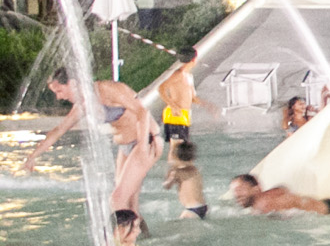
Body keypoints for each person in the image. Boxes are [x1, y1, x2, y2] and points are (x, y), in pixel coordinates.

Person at [23, 68, 161, 214]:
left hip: (146, 141)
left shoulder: (106, 89)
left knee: (117, 199)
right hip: (126, 147)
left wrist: (142, 146)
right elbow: (59, 130)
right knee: (129, 203)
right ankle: (140, 235)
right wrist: (33, 156)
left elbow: (142, 112)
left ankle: (119, 236)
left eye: (59, 91)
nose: (59, 97)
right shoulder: (82, 105)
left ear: (73, 83)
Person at [153, 60, 206, 149]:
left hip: (184, 115)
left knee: (182, 148)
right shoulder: (178, 74)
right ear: (193, 60)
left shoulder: (189, 76)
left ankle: (179, 162)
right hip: (175, 114)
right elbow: (161, 88)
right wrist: (173, 106)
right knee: (176, 148)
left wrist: (208, 105)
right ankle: (175, 162)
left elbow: (192, 98)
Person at [229, 174, 330, 215]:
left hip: (329, 212)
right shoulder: (269, 196)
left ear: (256, 189)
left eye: (240, 190)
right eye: (234, 191)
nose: (236, 195)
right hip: (328, 203)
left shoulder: (266, 205)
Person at [165, 137, 208, 220]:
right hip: (203, 207)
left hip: (191, 210)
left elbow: (167, 186)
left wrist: (169, 173)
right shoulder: (194, 169)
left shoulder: (177, 172)